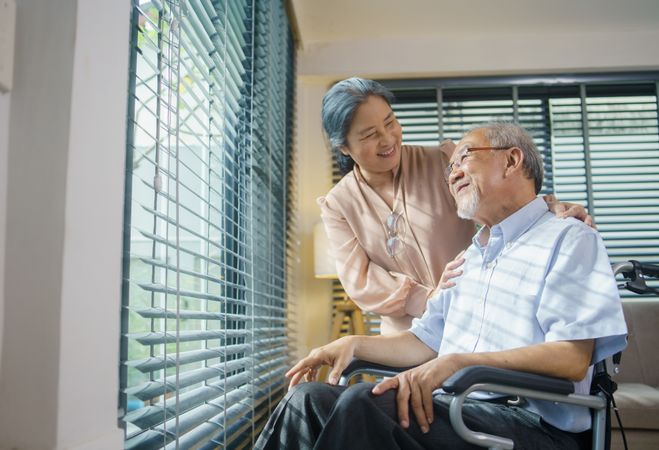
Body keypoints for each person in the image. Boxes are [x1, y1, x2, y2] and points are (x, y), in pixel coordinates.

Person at [255, 123, 627, 450]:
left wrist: (457, 363)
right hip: (457, 409)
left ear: (512, 161)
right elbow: (423, 343)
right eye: (449, 169)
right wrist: (351, 344)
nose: (452, 175)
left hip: (533, 426)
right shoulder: (469, 259)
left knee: (363, 403)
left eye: (464, 158)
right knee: (306, 399)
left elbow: (572, 357)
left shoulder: (569, 238)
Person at [318, 77, 593, 334]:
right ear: (344, 147)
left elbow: (505, 203)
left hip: (474, 320)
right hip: (406, 338)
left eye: (390, 122)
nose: (388, 139)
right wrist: (428, 299)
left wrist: (550, 209)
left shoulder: (443, 162)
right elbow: (361, 281)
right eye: (369, 135)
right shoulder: (338, 205)